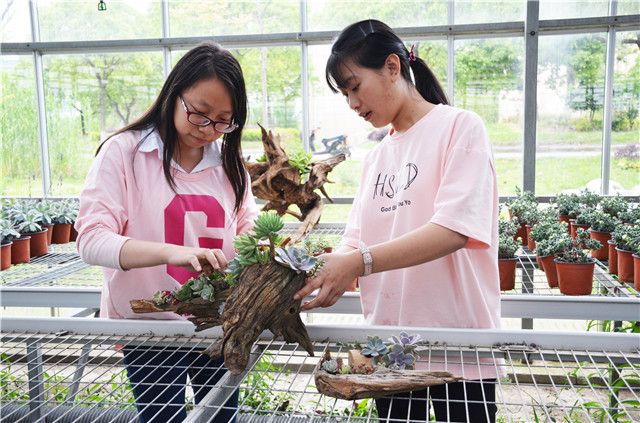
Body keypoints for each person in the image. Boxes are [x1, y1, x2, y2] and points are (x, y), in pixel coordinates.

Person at [293, 20, 501, 422]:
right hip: (390, 349)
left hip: (458, 346)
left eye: (354, 86)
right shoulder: (376, 157)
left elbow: (455, 230)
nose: (352, 103)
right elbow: (354, 241)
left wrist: (359, 262)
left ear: (392, 67)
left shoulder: (459, 127)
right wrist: (318, 272)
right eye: (344, 94)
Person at [75, 43, 258, 423]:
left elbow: (249, 233)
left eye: (224, 120)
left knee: (221, 418)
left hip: (218, 326)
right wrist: (170, 252)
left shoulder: (230, 166)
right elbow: (92, 239)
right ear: (174, 94)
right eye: (199, 114)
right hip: (149, 330)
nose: (209, 130)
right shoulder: (124, 152)